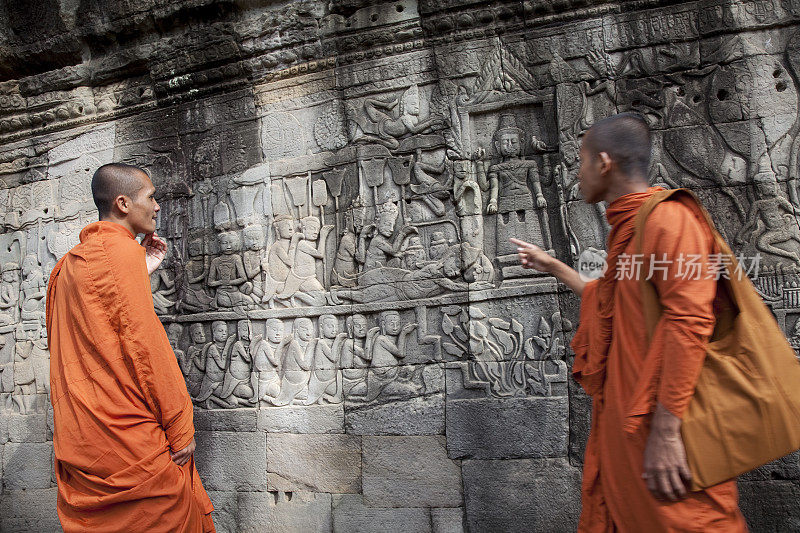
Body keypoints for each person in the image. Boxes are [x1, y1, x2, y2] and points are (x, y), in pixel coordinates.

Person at [512, 113, 746, 531]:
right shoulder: (630, 230)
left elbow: (690, 321)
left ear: (604, 163)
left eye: (580, 162)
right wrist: (553, 267)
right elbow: (608, 301)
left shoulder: (669, 221)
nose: (576, 175)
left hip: (664, 434)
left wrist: (668, 432)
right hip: (627, 432)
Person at [46, 163, 215, 532]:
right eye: (151, 197)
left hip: (91, 441)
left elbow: (99, 330)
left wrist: (140, 267)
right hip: (130, 443)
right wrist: (179, 423)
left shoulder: (69, 264)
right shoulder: (118, 255)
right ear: (123, 203)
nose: (157, 207)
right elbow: (145, 346)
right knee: (169, 511)